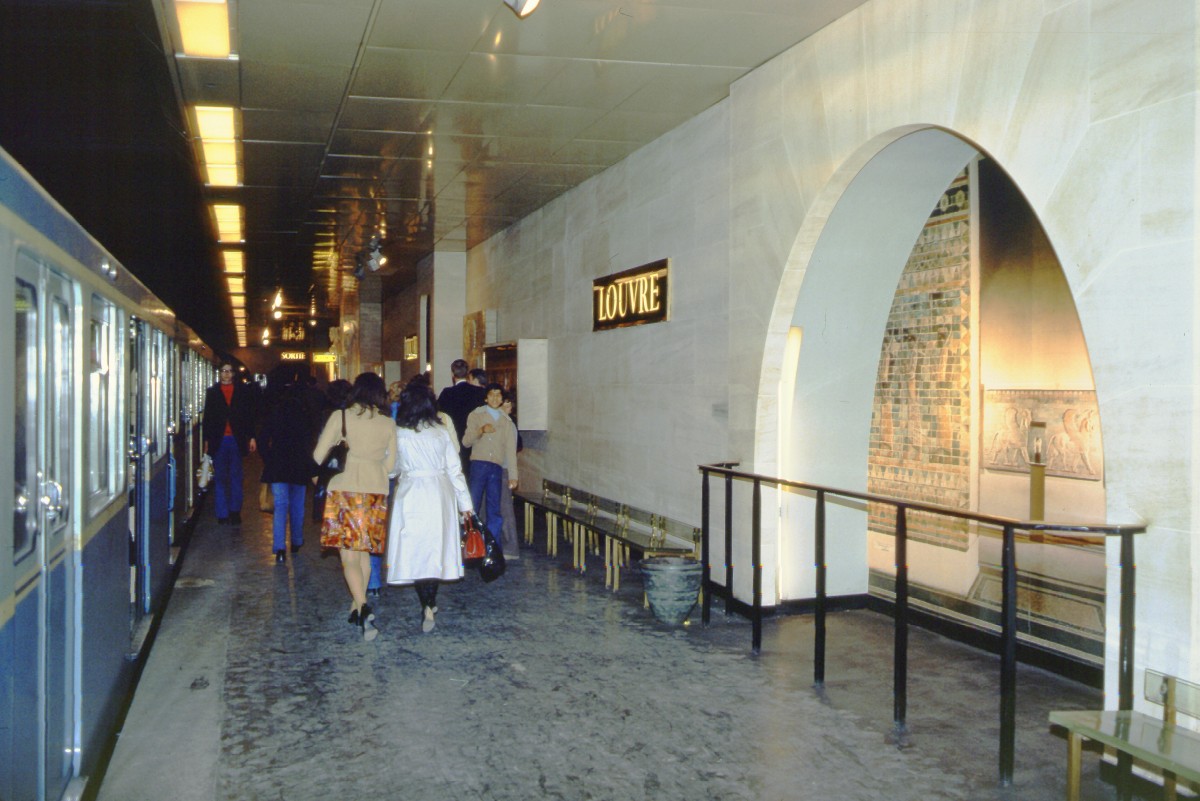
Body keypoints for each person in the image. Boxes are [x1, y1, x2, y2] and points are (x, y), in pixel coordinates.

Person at [313, 372, 397, 641]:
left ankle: (362, 608)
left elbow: (317, 456)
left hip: (345, 489)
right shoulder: (387, 422)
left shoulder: (342, 417)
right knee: (364, 554)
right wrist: (373, 469)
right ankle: (356, 606)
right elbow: (391, 465)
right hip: (376, 490)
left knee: (348, 557)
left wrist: (341, 446)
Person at [386, 380, 474, 633]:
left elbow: (393, 469)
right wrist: (465, 505)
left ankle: (425, 602)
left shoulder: (400, 433)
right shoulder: (441, 432)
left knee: (416, 548)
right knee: (435, 547)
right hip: (439, 492)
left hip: (412, 491)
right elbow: (455, 471)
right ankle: (430, 600)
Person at [258, 367, 317, 562]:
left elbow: (262, 439)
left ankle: (279, 548)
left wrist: (269, 458)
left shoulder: (273, 411)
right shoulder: (305, 412)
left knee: (280, 505)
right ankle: (297, 541)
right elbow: (310, 440)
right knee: (298, 505)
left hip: (278, 464)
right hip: (299, 464)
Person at [462, 382, 518, 554]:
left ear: (502, 399)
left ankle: (492, 548)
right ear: (486, 397)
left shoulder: (506, 421)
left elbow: (510, 450)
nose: (495, 398)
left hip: (496, 468)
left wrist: (513, 475)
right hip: (479, 465)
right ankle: (468, 545)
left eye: (498, 395)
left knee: (495, 509)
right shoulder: (476, 415)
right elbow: (466, 441)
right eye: (491, 394)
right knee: (473, 505)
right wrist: (481, 430)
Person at [202, 363, 257, 525]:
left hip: (236, 439)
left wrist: (252, 437)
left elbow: (248, 415)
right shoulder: (212, 393)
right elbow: (208, 419)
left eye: (229, 371)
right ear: (220, 374)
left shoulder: (242, 392)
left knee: (236, 477)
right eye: (223, 371)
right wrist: (206, 441)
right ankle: (222, 513)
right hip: (218, 439)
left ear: (233, 374)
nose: (225, 374)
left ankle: (234, 511)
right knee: (219, 477)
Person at [312, 379, 353, 523]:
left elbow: (321, 445)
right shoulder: (354, 413)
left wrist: (315, 473)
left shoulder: (329, 414)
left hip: (333, 469)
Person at [436, 359, 488, 471]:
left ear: (452, 374)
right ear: (467, 374)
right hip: (476, 439)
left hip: (454, 440)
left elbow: (439, 416)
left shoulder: (447, 393)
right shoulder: (479, 392)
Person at [497, 393, 521, 560]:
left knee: (506, 509)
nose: (508, 409)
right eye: (506, 406)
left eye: (510, 406)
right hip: (498, 468)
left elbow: (511, 451)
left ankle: (511, 547)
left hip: (504, 469)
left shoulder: (508, 424)